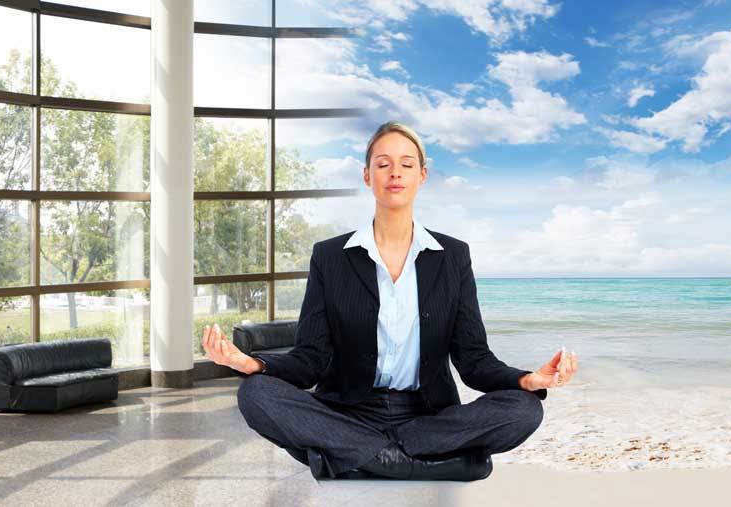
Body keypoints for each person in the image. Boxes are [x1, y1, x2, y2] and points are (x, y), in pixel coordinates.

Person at [202, 121, 578, 481]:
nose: (394, 172)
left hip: (428, 417)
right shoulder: (331, 256)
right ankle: (419, 461)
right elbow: (310, 360)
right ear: (367, 176)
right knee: (255, 394)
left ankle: (364, 456)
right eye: (383, 164)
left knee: (524, 409)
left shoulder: (452, 256)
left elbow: (474, 361)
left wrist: (528, 379)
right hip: (349, 412)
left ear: (422, 176)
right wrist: (250, 363)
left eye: (406, 164)